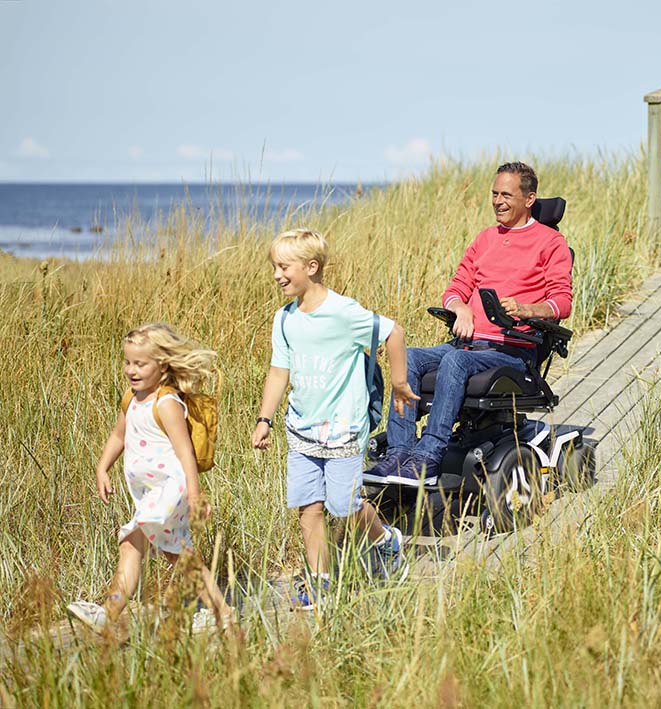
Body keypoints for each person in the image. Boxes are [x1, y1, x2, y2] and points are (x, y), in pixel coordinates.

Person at [373, 161, 573, 485]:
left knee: (455, 360)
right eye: (494, 193)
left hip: (511, 350)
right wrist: (460, 308)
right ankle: (399, 454)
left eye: (506, 194)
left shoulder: (550, 243)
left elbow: (561, 302)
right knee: (406, 356)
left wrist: (527, 309)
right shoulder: (485, 239)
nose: (497, 201)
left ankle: (428, 457)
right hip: (467, 343)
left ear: (529, 198)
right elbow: (455, 288)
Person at [252, 228, 419, 608]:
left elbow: (394, 331)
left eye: (283, 267)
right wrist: (265, 419)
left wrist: (399, 382)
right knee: (308, 508)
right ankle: (320, 582)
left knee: (344, 507)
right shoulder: (285, 319)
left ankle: (385, 541)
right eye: (274, 267)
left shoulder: (344, 312)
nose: (277, 275)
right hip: (301, 430)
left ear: (311, 267)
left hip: (343, 429)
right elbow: (279, 371)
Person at [67, 323, 232, 634]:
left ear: (163, 364)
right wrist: (102, 467)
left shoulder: (166, 403)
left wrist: (195, 496)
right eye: (127, 361)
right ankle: (221, 611)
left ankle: (110, 612)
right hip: (150, 491)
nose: (132, 369)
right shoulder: (131, 398)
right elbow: (119, 435)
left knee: (131, 543)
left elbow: (186, 454)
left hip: (172, 487)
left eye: (140, 363)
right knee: (177, 552)